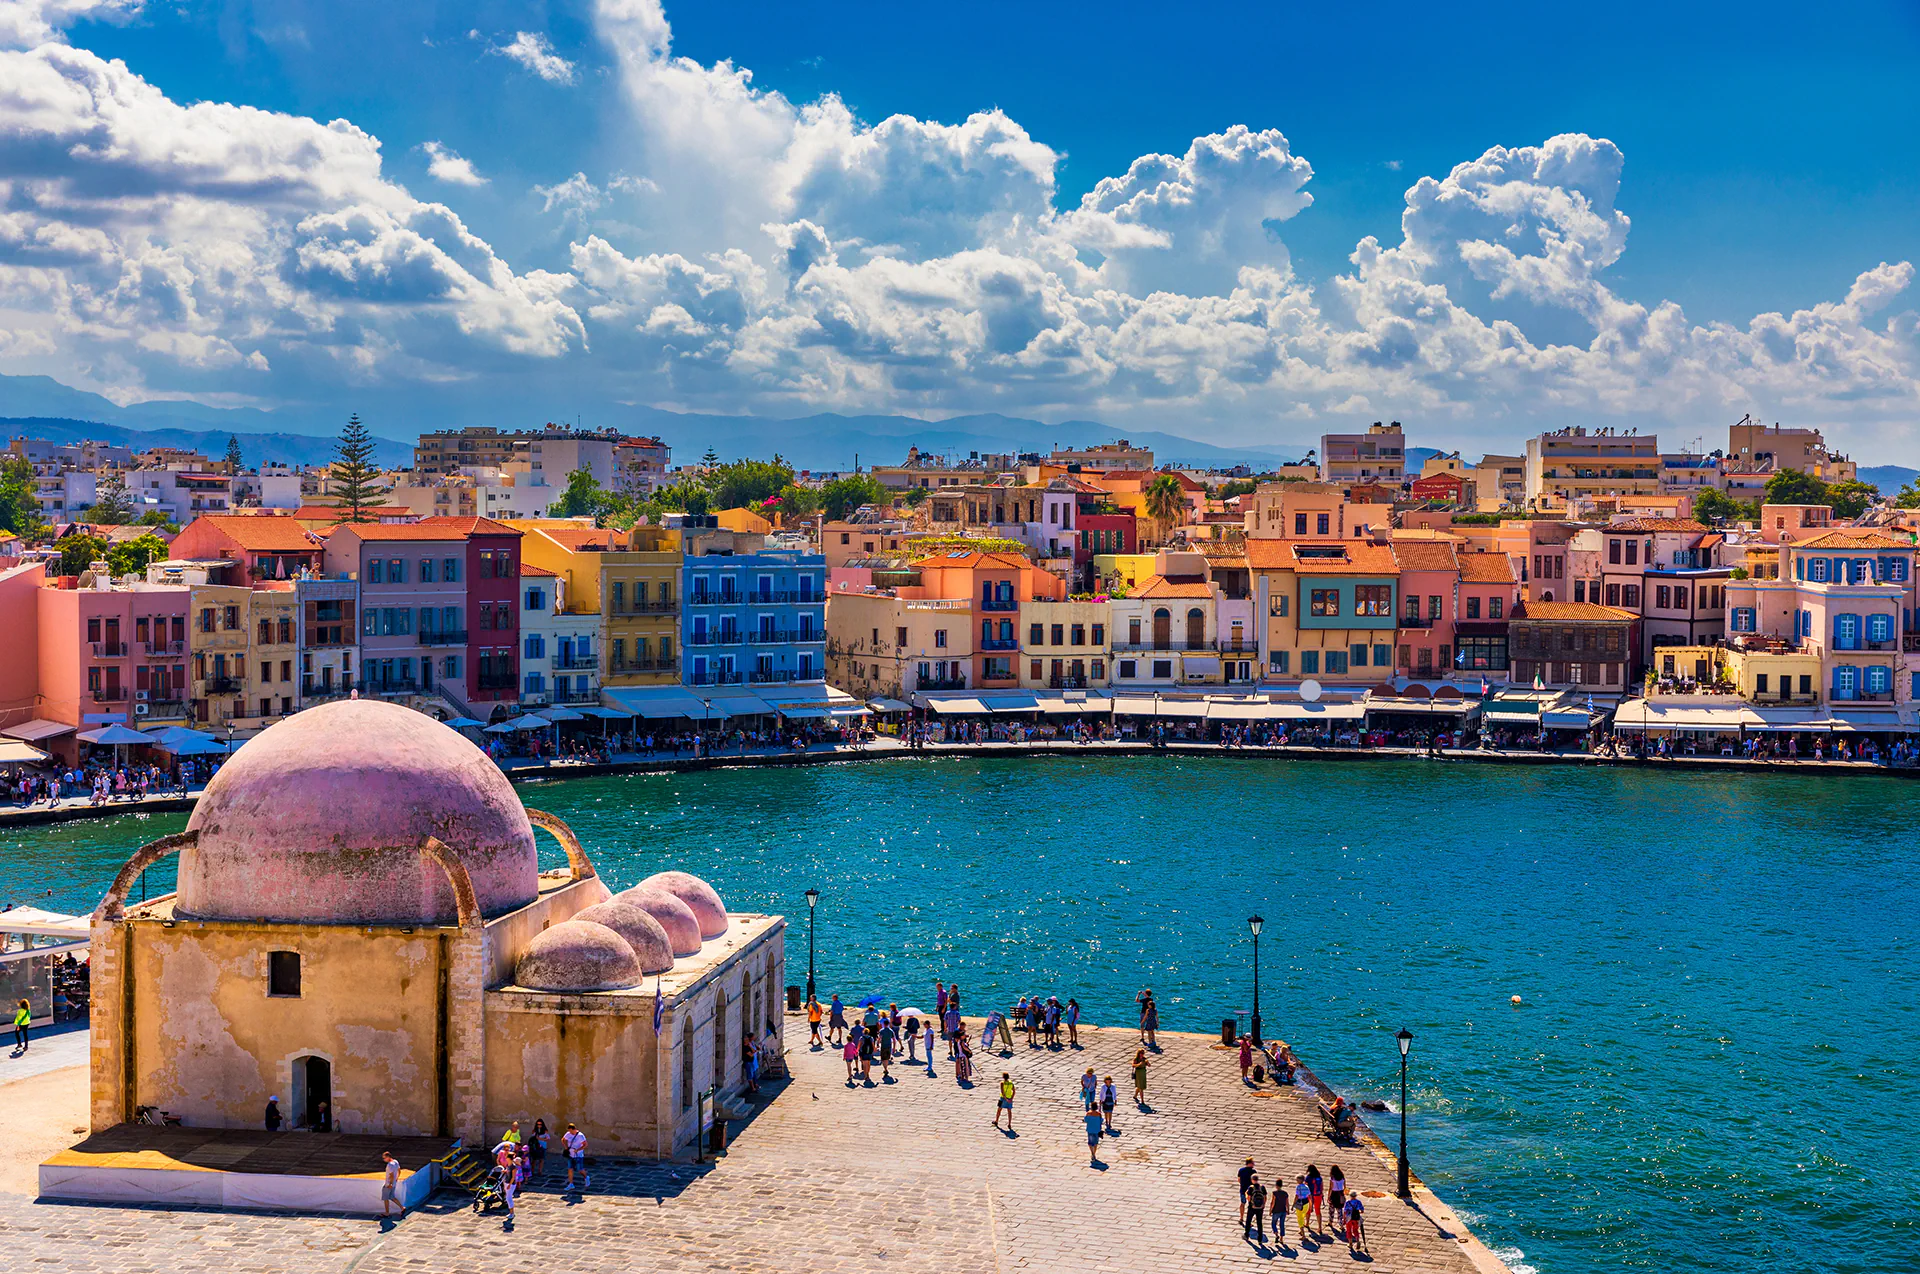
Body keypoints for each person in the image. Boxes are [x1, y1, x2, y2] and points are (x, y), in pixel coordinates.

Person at [561, 1122, 589, 1191]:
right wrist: (566, 1147)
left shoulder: (580, 1136)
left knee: (580, 1169)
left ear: (574, 1129)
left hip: (578, 1155)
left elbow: (585, 1144)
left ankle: (586, 1177)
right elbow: (563, 1139)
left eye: (571, 1131)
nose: (570, 1132)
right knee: (570, 1169)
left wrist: (578, 1149)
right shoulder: (568, 1134)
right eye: (569, 1131)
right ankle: (571, 1184)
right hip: (570, 1155)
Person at [1243, 1174, 1267, 1241]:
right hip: (1260, 1208)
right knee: (1259, 1222)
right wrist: (1263, 1205)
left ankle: (1246, 1235)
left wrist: (1246, 1194)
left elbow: (1249, 1198)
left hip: (1252, 1207)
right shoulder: (1262, 1187)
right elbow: (1265, 1197)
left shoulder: (1251, 1187)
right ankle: (1260, 1237)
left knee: (1248, 1221)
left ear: (1252, 1180)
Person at [380, 1150, 403, 1218]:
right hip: (394, 1183)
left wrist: (390, 1184)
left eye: (384, 1158)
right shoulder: (395, 1162)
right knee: (392, 1197)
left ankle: (387, 1212)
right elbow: (399, 1170)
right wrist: (397, 1178)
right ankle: (402, 1207)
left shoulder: (389, 1165)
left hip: (388, 1184)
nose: (384, 1160)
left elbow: (391, 1175)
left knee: (385, 1198)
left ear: (388, 1157)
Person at [1327, 1163, 1347, 1228]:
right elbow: (1345, 1186)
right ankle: (1341, 1225)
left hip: (1334, 1194)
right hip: (1340, 1194)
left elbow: (1330, 1188)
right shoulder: (1342, 1177)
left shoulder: (1332, 1178)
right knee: (1340, 1210)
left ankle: (1330, 1222)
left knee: (1331, 1210)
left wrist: (1328, 1197)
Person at [1307, 1163, 1325, 1233]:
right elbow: (1322, 1186)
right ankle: (1320, 1227)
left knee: (1308, 1210)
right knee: (1318, 1211)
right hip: (1318, 1195)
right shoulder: (1319, 1177)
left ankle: (1307, 1223)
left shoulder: (1308, 1177)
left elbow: (1306, 1187)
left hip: (1310, 1195)